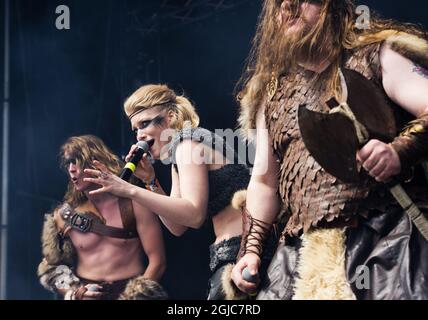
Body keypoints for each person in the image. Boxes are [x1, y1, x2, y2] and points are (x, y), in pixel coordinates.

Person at [231, 0, 428, 299]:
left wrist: (399, 151)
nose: (289, 7)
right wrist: (250, 250)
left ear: (333, 7)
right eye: (281, 3)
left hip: (386, 237)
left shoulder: (378, 54)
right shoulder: (269, 93)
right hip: (300, 253)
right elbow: (263, 182)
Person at [82, 85, 275, 299]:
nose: (140, 135)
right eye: (135, 129)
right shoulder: (181, 149)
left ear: (170, 117)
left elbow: (194, 214)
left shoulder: (187, 142)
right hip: (235, 251)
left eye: (145, 123)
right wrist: (150, 181)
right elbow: (178, 225)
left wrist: (128, 189)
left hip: (242, 250)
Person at [38, 135, 167, 300]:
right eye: (68, 162)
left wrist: (133, 297)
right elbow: (51, 268)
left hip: (131, 293)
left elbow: (158, 261)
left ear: (97, 162)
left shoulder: (136, 204)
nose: (71, 169)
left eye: (77, 160)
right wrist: (74, 293)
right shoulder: (65, 215)